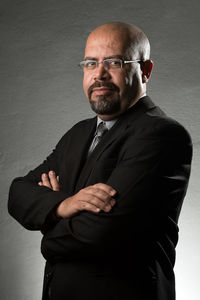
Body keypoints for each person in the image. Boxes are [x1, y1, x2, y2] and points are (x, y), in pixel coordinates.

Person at [8, 22, 192, 300]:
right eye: (90, 63)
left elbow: (99, 234)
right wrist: (63, 205)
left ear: (145, 70)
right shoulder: (78, 133)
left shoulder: (162, 135)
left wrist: (48, 227)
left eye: (114, 62)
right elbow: (18, 193)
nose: (99, 74)